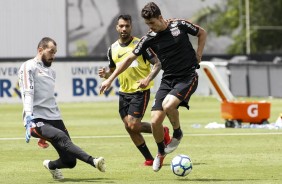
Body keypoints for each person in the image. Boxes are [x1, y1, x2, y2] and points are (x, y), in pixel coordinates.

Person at [100, 2, 207, 172]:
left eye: (152, 23)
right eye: (147, 24)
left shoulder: (179, 25)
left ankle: (177, 133)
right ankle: (160, 152)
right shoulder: (149, 38)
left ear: (160, 18)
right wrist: (110, 79)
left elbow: (202, 33)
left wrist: (198, 54)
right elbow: (127, 60)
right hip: (168, 79)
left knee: (168, 105)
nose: (151, 27)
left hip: (187, 77)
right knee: (155, 121)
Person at [18, 37, 106, 180]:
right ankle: (94, 161)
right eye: (51, 52)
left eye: (55, 53)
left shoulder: (51, 72)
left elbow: (47, 97)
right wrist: (29, 118)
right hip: (36, 119)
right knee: (61, 137)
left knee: (70, 162)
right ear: (40, 50)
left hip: (54, 117)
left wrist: (45, 135)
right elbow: (28, 92)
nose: (53, 56)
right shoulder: (29, 66)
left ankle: (50, 165)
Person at [98, 14, 170, 166]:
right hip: (124, 93)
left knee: (134, 125)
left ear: (131, 27)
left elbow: (157, 63)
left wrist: (147, 79)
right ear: (117, 27)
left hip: (140, 91)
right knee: (129, 127)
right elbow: (113, 71)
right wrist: (106, 75)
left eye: (127, 26)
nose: (124, 28)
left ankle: (162, 132)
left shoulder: (141, 44)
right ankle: (149, 159)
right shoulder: (112, 49)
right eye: (121, 26)